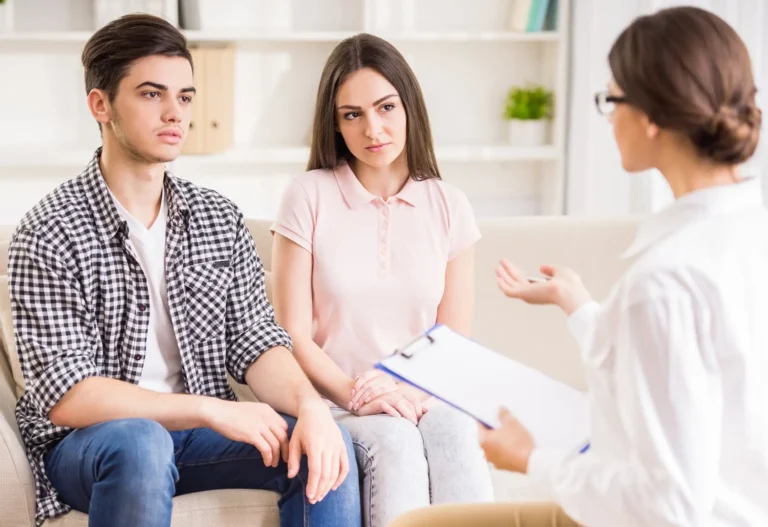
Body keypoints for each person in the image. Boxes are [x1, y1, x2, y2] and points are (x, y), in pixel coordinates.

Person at [391, 6, 767, 527]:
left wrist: (531, 460)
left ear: (652, 116)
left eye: (612, 100)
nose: (610, 118)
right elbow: (689, 367)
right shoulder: (748, 228)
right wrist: (580, 305)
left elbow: (668, 505)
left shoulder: (665, 281)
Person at [7, 14, 360, 527]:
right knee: (141, 440)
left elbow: (256, 340)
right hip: (91, 446)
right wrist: (209, 409)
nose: (175, 113)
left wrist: (310, 406)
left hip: (193, 439)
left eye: (186, 97)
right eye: (152, 94)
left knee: (324, 443)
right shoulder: (49, 231)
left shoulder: (215, 216)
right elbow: (68, 395)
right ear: (100, 105)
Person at [270, 33, 494, 527]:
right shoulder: (307, 196)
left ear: (408, 105)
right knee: (392, 442)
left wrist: (406, 392)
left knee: (457, 431)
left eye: (386, 106)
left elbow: (450, 339)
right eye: (352, 114)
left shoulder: (448, 204)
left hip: (422, 395)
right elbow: (292, 336)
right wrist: (358, 393)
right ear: (335, 124)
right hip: (335, 401)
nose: (373, 127)